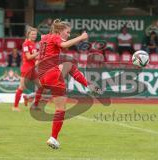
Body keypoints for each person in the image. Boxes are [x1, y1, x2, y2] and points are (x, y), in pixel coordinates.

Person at [37, 19, 101, 149]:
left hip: (42, 74)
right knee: (61, 108)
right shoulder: (55, 37)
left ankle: (89, 85)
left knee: (70, 66)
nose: (68, 34)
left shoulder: (45, 38)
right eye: (67, 32)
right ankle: (53, 138)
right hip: (51, 73)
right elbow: (64, 45)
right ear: (60, 30)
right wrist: (81, 37)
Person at [13, 26, 42, 111]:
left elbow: (34, 59)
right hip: (27, 68)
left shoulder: (33, 44)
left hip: (32, 69)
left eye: (35, 34)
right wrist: (39, 53)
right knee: (21, 87)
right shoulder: (26, 44)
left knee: (41, 87)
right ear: (28, 34)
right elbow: (28, 57)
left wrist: (40, 59)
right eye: (32, 34)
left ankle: (34, 104)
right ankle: (15, 107)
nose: (34, 35)